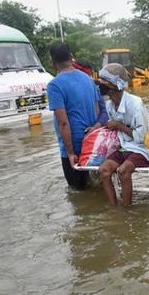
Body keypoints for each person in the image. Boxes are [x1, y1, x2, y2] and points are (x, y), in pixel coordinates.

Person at [47, 42, 100, 189]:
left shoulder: (54, 85)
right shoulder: (88, 79)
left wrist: (70, 153)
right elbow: (96, 110)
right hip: (92, 142)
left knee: (78, 194)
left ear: (52, 62)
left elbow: (63, 123)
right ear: (71, 57)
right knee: (97, 188)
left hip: (74, 146)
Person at [98, 63, 149, 207]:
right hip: (123, 147)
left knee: (123, 171)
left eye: (105, 81)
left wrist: (119, 126)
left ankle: (127, 210)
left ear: (116, 85)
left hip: (141, 149)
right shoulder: (110, 105)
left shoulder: (135, 104)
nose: (101, 84)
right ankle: (114, 210)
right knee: (103, 170)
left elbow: (142, 137)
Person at [72, 59, 109, 131]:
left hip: (91, 130)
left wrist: (96, 126)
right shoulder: (68, 87)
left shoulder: (94, 88)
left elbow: (104, 111)